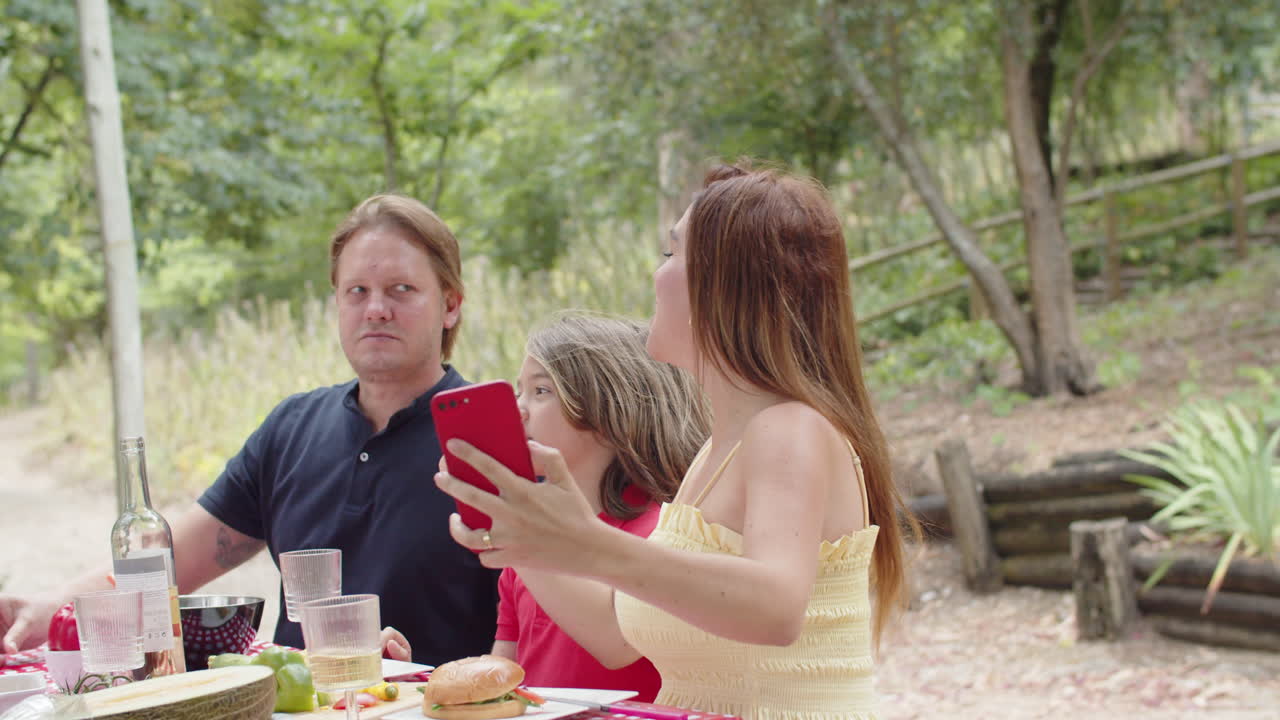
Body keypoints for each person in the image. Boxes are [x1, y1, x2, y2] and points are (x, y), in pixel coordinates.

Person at [433, 163, 917, 718]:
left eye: (671, 254)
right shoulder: (715, 454)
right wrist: (525, 538)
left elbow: (776, 607)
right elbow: (616, 635)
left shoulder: (790, 427)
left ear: (725, 285)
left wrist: (590, 543)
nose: (655, 275)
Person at [0, 194, 496, 667]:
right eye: (357, 291)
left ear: (450, 304)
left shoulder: (489, 437)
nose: (375, 309)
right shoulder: (292, 428)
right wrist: (53, 610)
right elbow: (168, 568)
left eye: (401, 289)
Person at [491, 314, 708, 701]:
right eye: (518, 391)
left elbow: (615, 646)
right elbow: (500, 682)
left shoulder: (664, 532)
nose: (517, 408)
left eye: (541, 391)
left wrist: (513, 526)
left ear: (610, 413)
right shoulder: (523, 554)